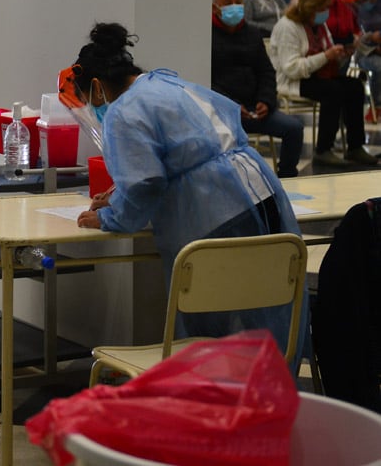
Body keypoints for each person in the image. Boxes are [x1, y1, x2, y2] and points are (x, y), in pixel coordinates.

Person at [72, 23, 305, 356]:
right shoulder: (163, 83)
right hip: (258, 192)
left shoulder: (122, 111)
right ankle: (267, 388)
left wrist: (111, 216)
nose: (93, 109)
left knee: (208, 320)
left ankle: (212, 396)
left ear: (96, 88)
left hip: (215, 209)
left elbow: (145, 182)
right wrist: (119, 189)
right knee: (263, 300)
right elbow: (184, 154)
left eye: (86, 100)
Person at [270, 0, 376, 167]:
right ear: (308, 9)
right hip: (295, 81)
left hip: (318, 75)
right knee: (332, 91)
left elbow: (326, 58)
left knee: (355, 86)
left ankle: (355, 147)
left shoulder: (318, 25)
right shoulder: (287, 27)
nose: (325, 13)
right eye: (321, 9)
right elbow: (291, 68)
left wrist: (343, 55)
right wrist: (326, 56)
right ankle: (323, 149)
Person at [211, 0, 303, 178]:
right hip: (224, 113)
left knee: (294, 129)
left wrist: (266, 101)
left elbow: (266, 72)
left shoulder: (252, 34)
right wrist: (233, 106)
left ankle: (287, 177)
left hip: (257, 109)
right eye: (228, 3)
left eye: (238, 2)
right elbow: (207, 80)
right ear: (215, 8)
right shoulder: (206, 36)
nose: (235, 7)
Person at [341, 0, 381, 119]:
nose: (360, 2)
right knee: (379, 66)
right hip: (366, 51)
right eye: (357, 0)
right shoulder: (353, 5)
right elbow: (353, 37)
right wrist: (371, 39)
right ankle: (377, 106)